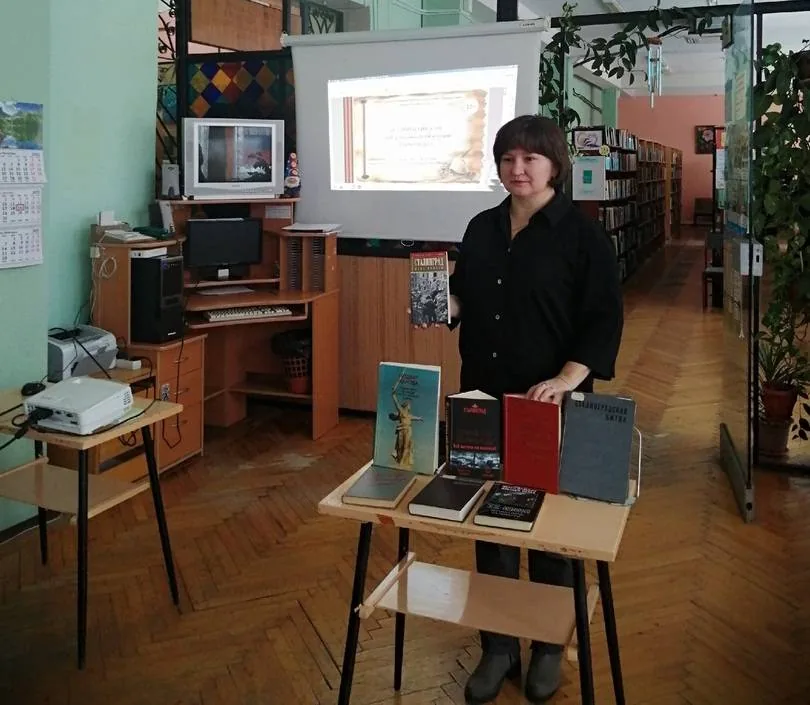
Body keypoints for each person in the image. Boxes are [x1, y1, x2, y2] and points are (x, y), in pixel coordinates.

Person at [447, 114, 624, 704]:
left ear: (554, 165)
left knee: (550, 528)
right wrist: (441, 303)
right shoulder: (480, 227)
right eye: (507, 158)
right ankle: (498, 645)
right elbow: (465, 293)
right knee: (491, 522)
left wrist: (567, 379)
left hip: (550, 405)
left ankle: (549, 643)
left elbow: (603, 319)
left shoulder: (583, 236)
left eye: (530, 158)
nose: (517, 169)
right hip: (483, 400)